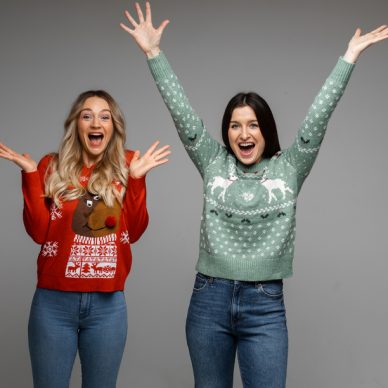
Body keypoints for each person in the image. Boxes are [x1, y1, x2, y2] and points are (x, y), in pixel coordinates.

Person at [121, 3, 388, 387]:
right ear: (226, 132)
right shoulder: (212, 162)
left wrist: (349, 57)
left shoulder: (290, 168)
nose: (244, 133)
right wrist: (153, 53)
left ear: (266, 129)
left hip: (265, 306)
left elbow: (318, 117)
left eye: (253, 125)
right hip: (207, 300)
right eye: (234, 125)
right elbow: (181, 114)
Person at [0, 89, 170, 388]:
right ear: (76, 125)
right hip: (53, 304)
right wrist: (29, 175)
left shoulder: (129, 163)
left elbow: (136, 231)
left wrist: (138, 180)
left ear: (113, 126)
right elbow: (40, 234)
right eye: (87, 116)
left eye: (104, 117)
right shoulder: (51, 166)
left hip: (108, 307)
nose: (96, 123)